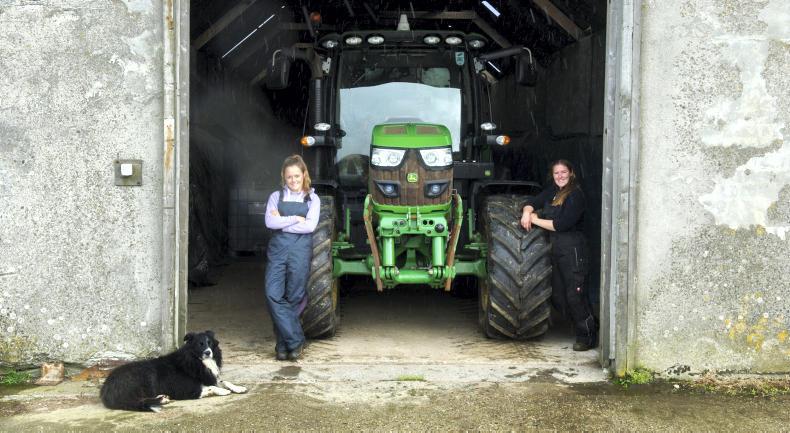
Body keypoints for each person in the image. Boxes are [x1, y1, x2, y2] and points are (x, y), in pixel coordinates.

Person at [520, 159, 596, 351]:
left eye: (563, 172)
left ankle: (587, 336)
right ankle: (585, 324)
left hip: (574, 250)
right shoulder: (553, 192)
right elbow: (532, 201)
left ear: (571, 173)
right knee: (559, 295)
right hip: (557, 249)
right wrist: (527, 212)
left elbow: (560, 225)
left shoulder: (575, 195)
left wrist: (536, 220)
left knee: (575, 295)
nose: (560, 176)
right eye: (556, 173)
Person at [264, 155, 320, 361]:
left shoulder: (313, 199)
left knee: (294, 298)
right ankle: (296, 340)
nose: (293, 180)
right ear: (284, 177)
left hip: (299, 253)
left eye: (297, 175)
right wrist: (295, 219)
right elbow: (270, 222)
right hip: (277, 253)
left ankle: (282, 344)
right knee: (272, 294)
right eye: (289, 177)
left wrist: (283, 221)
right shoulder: (275, 196)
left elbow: (310, 226)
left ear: (304, 175)